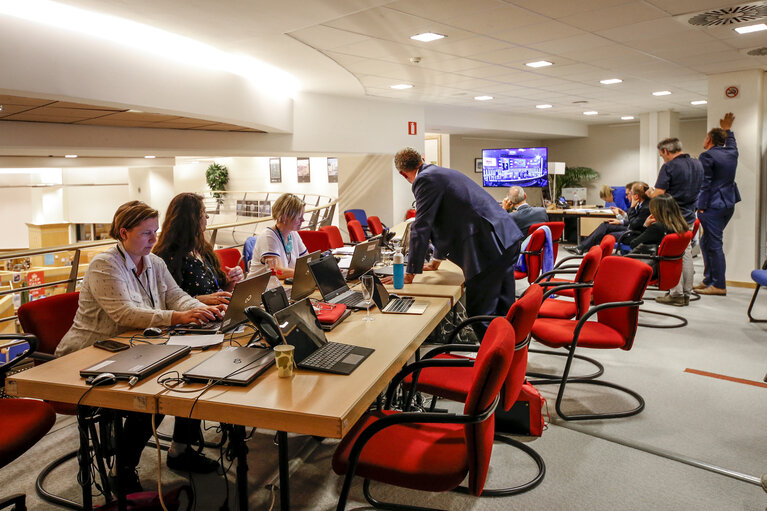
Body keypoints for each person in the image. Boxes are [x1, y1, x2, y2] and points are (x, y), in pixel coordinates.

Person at [56, 201, 224, 492]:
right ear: (124, 233)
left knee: (190, 375)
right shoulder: (104, 265)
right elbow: (125, 314)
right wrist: (177, 316)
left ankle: (181, 450)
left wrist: (201, 311)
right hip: (89, 354)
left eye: (155, 232)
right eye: (147, 233)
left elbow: (177, 296)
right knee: (150, 399)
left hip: (137, 346)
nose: (154, 240)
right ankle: (123, 470)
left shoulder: (154, 263)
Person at [153, 193, 246, 474]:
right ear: (190, 219)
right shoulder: (166, 257)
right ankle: (180, 448)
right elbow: (170, 299)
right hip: (185, 331)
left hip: (211, 324)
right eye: (203, 213)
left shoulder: (203, 250)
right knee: (198, 375)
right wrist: (204, 299)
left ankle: (227, 427)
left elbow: (218, 292)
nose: (207, 218)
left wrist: (230, 283)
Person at [389, 147, 524, 327]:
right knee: (503, 308)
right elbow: (443, 221)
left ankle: (493, 354)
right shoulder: (441, 173)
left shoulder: (424, 179)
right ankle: (510, 350)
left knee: (480, 313)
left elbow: (421, 227)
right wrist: (436, 260)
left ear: (403, 174)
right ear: (422, 159)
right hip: (506, 238)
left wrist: (410, 273)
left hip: (487, 247)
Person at [652, 137, 703, 306]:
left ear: (666, 151)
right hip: (689, 214)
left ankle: (676, 293)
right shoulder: (697, 164)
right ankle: (686, 292)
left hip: (672, 214)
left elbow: (659, 194)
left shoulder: (669, 167)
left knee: (673, 254)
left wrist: (648, 195)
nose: (663, 158)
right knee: (685, 251)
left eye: (662, 155)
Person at [696, 112, 740, 296]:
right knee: (706, 242)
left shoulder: (707, 156)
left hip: (712, 204)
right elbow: (731, 142)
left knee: (713, 244)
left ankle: (719, 285)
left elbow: (705, 183)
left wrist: (700, 205)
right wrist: (727, 129)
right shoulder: (731, 152)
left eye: (706, 137)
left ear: (710, 140)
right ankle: (709, 280)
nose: (704, 140)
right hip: (728, 203)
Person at [566, 182, 650, 255]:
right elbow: (634, 220)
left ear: (636, 196)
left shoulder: (644, 207)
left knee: (607, 235)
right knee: (605, 225)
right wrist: (621, 221)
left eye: (629, 194)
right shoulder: (640, 204)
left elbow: (634, 224)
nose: (627, 196)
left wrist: (629, 210)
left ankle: (585, 249)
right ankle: (581, 247)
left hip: (634, 233)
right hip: (630, 228)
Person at [247, 193, 308, 280]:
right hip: (258, 290)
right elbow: (277, 271)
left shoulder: (293, 234)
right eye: (299, 217)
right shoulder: (268, 236)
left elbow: (307, 261)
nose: (303, 220)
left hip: (280, 287)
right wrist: (304, 272)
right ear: (283, 218)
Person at [629, 194, 690, 282]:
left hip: (653, 267)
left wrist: (645, 225)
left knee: (615, 263)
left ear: (656, 210)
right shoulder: (682, 226)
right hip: (671, 266)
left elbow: (633, 244)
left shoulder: (658, 227)